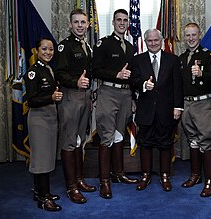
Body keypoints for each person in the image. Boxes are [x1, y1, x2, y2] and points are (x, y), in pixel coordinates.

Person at [92, 9, 138, 199]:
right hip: (108, 92)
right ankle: (104, 180)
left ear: (128, 23)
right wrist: (116, 75)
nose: (122, 23)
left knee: (119, 135)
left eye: (125, 20)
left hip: (126, 94)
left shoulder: (130, 46)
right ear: (113, 22)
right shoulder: (104, 43)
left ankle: (118, 174)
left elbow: (133, 75)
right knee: (107, 136)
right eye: (119, 20)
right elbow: (95, 69)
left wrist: (134, 98)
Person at [130, 28, 184, 192]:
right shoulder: (138, 59)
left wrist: (178, 106)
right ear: (145, 42)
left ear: (161, 41)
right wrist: (143, 85)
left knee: (165, 144)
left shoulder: (172, 60)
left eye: (156, 40)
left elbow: (178, 85)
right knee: (145, 144)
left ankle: (165, 176)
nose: (153, 43)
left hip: (167, 111)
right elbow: (133, 81)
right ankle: (145, 175)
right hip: (145, 110)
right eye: (149, 41)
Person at [55, 8, 96, 204]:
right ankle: (71, 187)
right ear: (70, 25)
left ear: (88, 25)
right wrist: (75, 82)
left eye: (83, 22)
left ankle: (79, 180)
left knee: (80, 140)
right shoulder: (65, 46)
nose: (80, 25)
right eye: (76, 22)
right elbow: (59, 73)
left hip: (85, 96)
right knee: (69, 142)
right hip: (71, 96)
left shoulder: (86, 45)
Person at [179, 23, 211, 197]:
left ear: (199, 35)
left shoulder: (208, 56)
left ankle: (209, 181)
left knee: (206, 142)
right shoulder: (181, 58)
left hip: (203, 104)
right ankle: (195, 175)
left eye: (193, 35)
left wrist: (202, 74)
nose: (190, 38)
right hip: (187, 105)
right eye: (187, 35)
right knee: (193, 141)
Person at [24, 37, 62, 211]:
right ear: (37, 51)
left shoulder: (48, 69)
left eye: (51, 49)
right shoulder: (33, 71)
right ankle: (44, 198)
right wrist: (51, 97)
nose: (48, 52)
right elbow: (31, 100)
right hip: (39, 118)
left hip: (49, 116)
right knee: (41, 159)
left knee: (46, 157)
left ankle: (40, 192)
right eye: (44, 49)